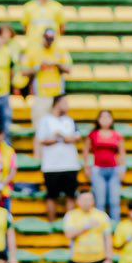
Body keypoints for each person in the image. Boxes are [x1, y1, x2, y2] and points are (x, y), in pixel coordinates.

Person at [36, 94, 81, 222]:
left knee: (71, 196)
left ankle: (70, 223)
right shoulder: (45, 120)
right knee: (51, 196)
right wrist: (60, 138)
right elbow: (42, 139)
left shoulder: (70, 120)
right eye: (65, 102)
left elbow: (76, 137)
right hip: (51, 165)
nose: (67, 106)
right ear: (57, 103)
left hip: (70, 164)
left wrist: (61, 136)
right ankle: (51, 223)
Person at [21, 27, 72, 132]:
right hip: (41, 94)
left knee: (59, 128)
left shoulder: (60, 51)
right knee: (40, 128)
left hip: (57, 95)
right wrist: (38, 67)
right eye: (47, 38)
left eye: (51, 39)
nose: (49, 41)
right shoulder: (34, 52)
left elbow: (69, 69)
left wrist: (57, 64)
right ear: (43, 38)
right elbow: (24, 71)